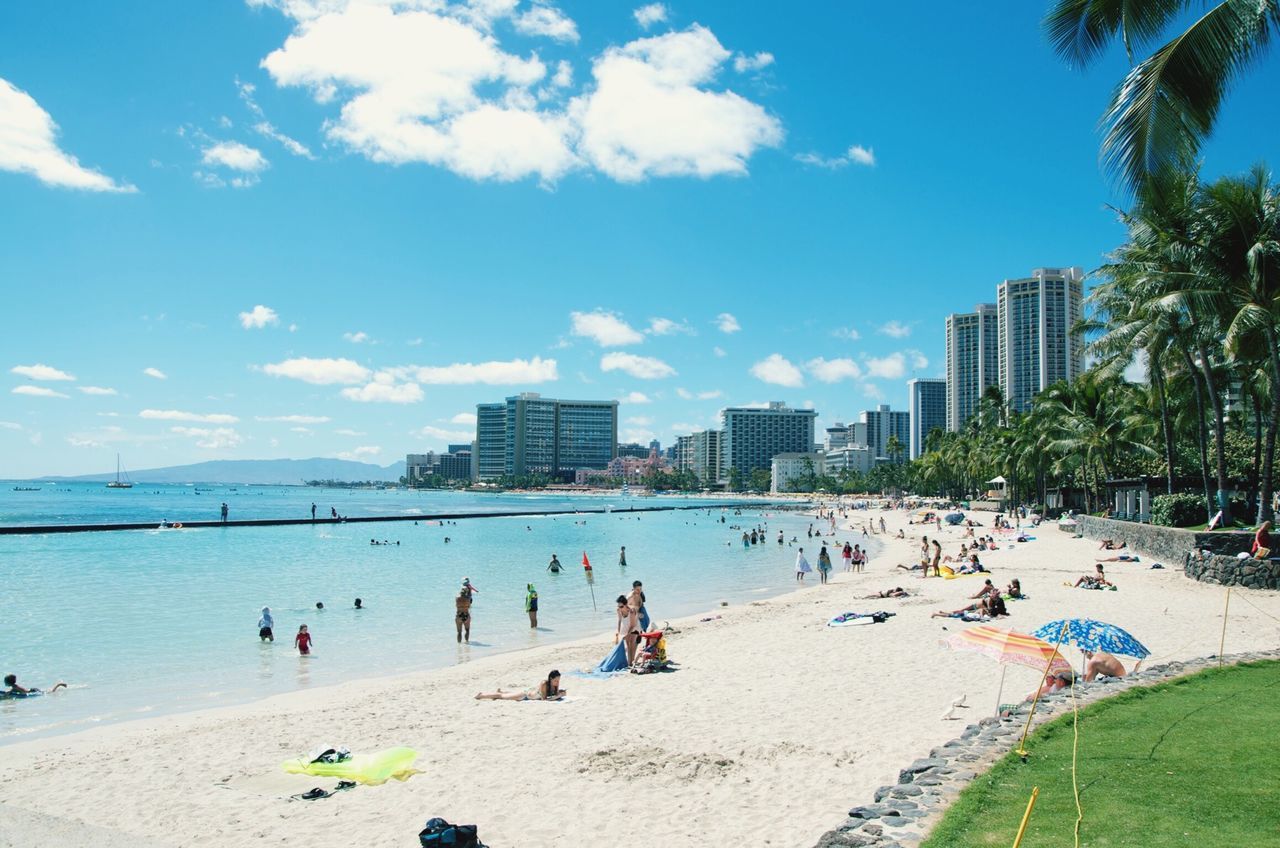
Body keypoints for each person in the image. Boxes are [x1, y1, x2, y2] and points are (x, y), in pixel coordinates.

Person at [476, 670, 566, 701]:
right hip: (525, 696)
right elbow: (544, 699)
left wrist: (561, 693)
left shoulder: (554, 685)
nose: (557, 683)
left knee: (505, 694)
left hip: (531, 693)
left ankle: (501, 691)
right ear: (550, 679)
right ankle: (482, 695)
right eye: (556, 681)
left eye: (558, 680)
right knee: (502, 697)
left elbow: (555, 694)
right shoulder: (544, 683)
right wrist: (558, 696)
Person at [615, 595, 640, 665]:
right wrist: (618, 632)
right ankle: (630, 662)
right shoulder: (618, 610)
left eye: (621, 606)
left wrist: (627, 635)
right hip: (626, 627)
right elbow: (619, 621)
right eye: (618, 606)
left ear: (626, 605)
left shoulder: (631, 611)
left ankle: (631, 662)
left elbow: (632, 625)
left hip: (635, 628)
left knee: (631, 644)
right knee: (628, 645)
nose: (620, 608)